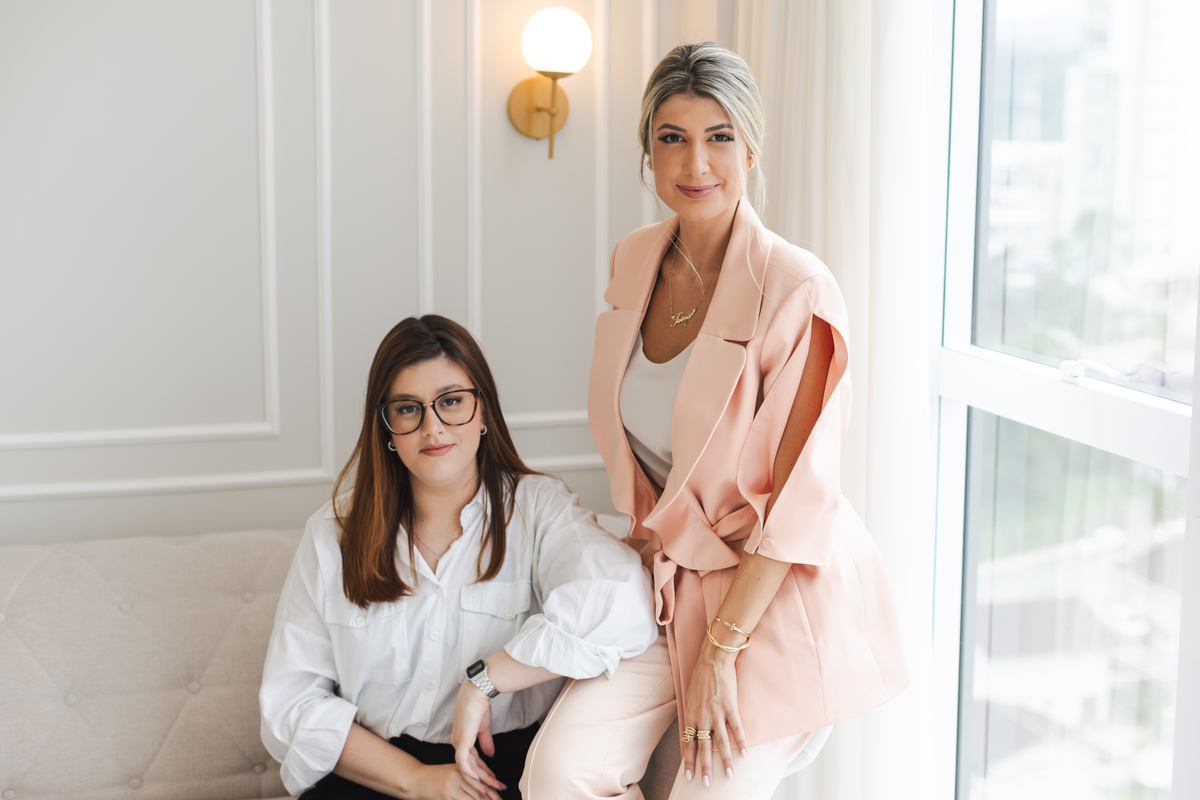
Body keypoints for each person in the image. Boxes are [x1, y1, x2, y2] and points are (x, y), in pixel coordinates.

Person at [519, 43, 909, 800]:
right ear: (648, 151)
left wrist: (720, 654)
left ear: (751, 148)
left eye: (719, 136)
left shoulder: (797, 288)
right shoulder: (634, 260)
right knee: (557, 773)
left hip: (772, 593)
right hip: (668, 585)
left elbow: (798, 505)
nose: (695, 163)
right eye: (673, 137)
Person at [260, 315, 659, 800]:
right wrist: (415, 778)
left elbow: (621, 602)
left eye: (451, 401)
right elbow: (290, 702)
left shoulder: (538, 509)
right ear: (387, 428)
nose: (432, 428)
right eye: (408, 409)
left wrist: (485, 680)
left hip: (500, 774)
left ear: (483, 410)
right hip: (375, 774)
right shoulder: (333, 532)